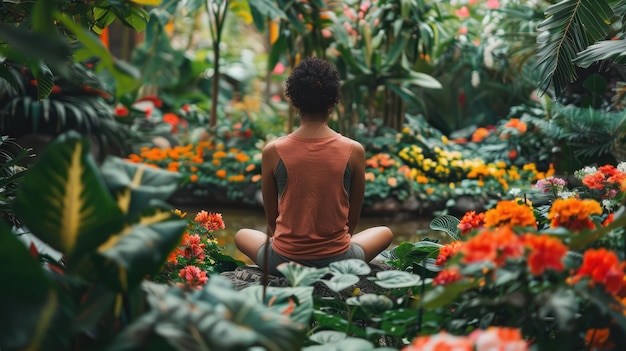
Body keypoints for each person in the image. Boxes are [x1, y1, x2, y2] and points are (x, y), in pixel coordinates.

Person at [234, 57, 393, 276]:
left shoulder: (272, 151)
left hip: (283, 262)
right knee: (384, 232)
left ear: (294, 102)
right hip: (338, 262)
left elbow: (272, 221)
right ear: (332, 103)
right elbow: (352, 220)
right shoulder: (354, 150)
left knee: (241, 234)